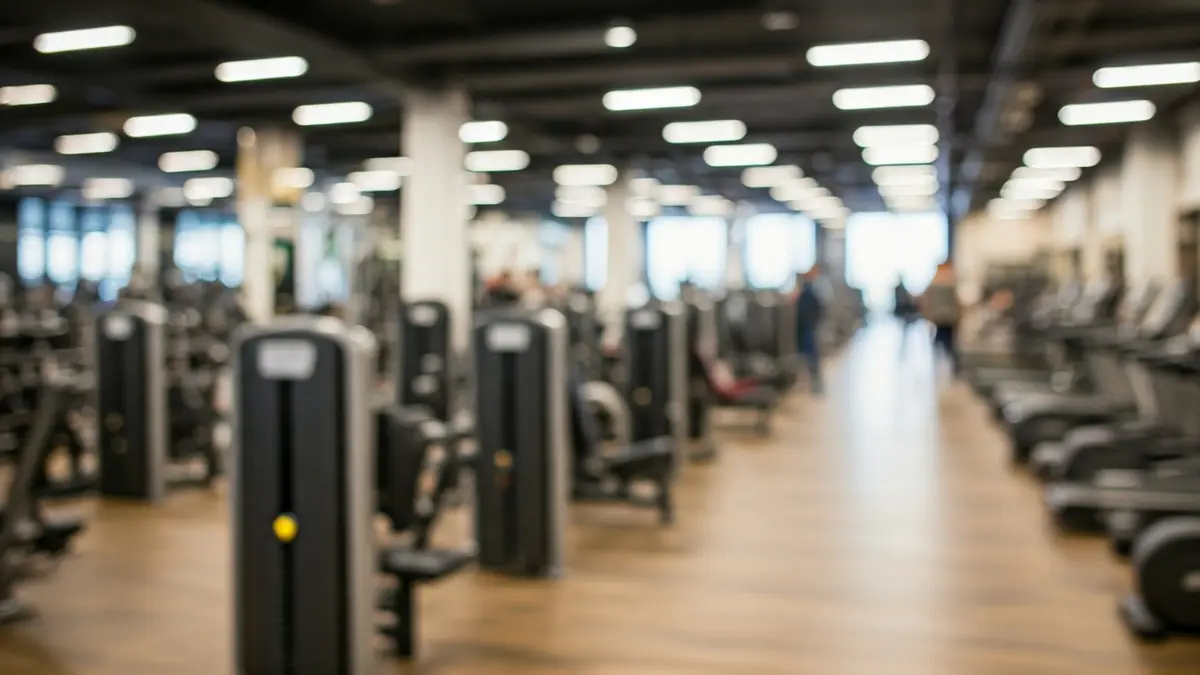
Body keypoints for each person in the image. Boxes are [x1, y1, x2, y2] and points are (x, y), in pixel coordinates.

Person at [920, 263, 962, 376]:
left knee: (940, 340)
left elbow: (926, 301)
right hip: (949, 317)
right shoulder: (951, 282)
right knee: (948, 342)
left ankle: (940, 362)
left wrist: (928, 315)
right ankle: (952, 367)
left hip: (939, 317)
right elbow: (956, 301)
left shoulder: (934, 283)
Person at [794, 267, 825, 394]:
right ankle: (812, 384)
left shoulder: (808, 292)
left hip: (807, 328)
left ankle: (815, 385)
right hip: (808, 328)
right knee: (809, 358)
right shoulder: (808, 292)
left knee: (811, 358)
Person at [893, 279, 919, 353]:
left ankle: (904, 338)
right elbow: (902, 300)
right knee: (903, 326)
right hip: (902, 310)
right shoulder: (899, 288)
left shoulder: (899, 288)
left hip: (902, 310)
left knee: (904, 327)